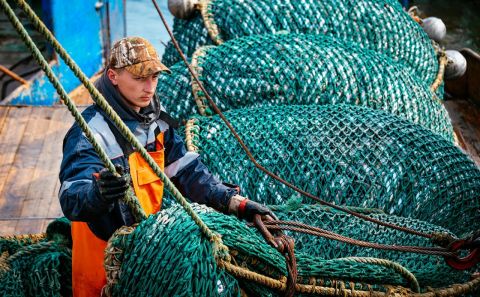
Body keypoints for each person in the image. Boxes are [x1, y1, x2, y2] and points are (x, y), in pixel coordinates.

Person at [59, 36, 275, 297]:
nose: (149, 87)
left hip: (147, 256)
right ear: (113, 76)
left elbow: (188, 173)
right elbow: (71, 197)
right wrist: (97, 193)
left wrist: (234, 202)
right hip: (102, 267)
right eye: (139, 78)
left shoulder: (157, 123)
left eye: (154, 77)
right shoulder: (89, 131)